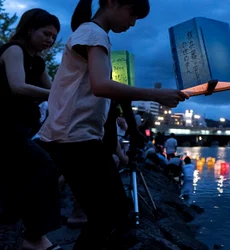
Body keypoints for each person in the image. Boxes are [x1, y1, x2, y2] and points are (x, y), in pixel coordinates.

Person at [36, 0, 188, 249]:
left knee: (108, 214)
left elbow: (103, 90)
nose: (132, 23)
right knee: (112, 213)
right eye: (132, 14)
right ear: (112, 3)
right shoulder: (92, 33)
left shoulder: (92, 33)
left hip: (75, 136)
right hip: (74, 137)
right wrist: (156, 94)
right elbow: (101, 86)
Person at [0, 8, 62, 250]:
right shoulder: (14, 50)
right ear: (29, 29)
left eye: (54, 37)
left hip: (20, 129)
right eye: (46, 33)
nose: (50, 40)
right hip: (5, 128)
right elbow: (18, 86)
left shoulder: (38, 62)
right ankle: (34, 237)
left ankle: (18, 228)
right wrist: (57, 94)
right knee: (45, 169)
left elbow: (55, 88)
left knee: (20, 177)